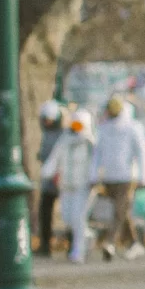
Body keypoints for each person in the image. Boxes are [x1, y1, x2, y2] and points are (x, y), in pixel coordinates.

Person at [93, 95, 145, 260]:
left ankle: (109, 242)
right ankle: (134, 243)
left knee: (119, 211)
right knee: (123, 211)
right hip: (110, 176)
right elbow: (98, 153)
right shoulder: (104, 128)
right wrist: (95, 174)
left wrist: (144, 175)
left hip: (127, 176)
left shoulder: (133, 127)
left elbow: (142, 152)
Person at [55, 107, 98, 263]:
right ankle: (89, 236)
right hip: (67, 185)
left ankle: (78, 251)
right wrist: (47, 172)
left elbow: (95, 163)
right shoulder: (65, 140)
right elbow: (55, 157)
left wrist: (93, 179)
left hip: (83, 186)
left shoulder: (89, 143)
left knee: (79, 218)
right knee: (68, 218)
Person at [33, 100, 66, 257]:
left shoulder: (63, 134)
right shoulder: (46, 134)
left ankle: (72, 243)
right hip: (49, 180)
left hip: (62, 179)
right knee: (45, 211)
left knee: (68, 213)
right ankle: (45, 244)